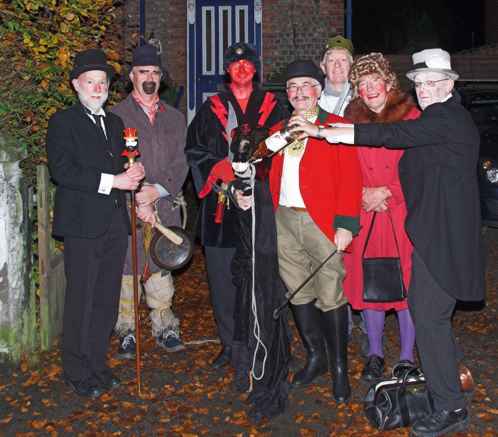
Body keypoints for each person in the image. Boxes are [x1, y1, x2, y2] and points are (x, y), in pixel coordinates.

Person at [293, 48, 484, 436]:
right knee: (430, 315)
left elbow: (387, 133)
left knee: (429, 317)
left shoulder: (447, 119)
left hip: (444, 241)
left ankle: (450, 407)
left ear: (450, 84)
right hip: (432, 236)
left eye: (434, 82)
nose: (426, 89)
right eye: (421, 83)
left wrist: (319, 131)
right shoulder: (436, 118)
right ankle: (444, 388)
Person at [47, 48, 145, 398]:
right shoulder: (63, 122)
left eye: (102, 82)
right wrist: (113, 181)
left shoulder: (116, 123)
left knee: (106, 299)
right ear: (76, 84)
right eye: (90, 81)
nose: (97, 87)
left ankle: (97, 364)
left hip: (114, 225)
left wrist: (135, 173)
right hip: (82, 225)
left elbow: (122, 166)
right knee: (81, 298)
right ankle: (76, 369)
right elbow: (64, 171)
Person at [185, 42, 287, 370]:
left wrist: (256, 177)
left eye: (247, 63)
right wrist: (224, 177)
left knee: (259, 276)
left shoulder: (273, 106)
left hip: (261, 205)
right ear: (227, 70)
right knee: (222, 278)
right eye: (235, 63)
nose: (241, 68)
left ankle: (259, 341)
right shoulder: (211, 108)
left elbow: (286, 150)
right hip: (221, 206)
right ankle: (230, 344)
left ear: (255, 69)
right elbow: (196, 151)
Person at [267, 60, 363, 403]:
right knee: (296, 290)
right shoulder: (282, 128)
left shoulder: (336, 126)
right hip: (285, 220)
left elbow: (352, 177)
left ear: (318, 89)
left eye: (305, 85)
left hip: (322, 220)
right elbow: (265, 167)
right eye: (292, 88)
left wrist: (347, 225)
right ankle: (316, 356)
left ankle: (339, 367)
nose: (298, 93)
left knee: (330, 291)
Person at [342, 53, 419, 381]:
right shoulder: (350, 122)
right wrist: (360, 195)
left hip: (400, 214)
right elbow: (343, 167)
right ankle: (374, 352)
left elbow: (420, 168)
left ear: (389, 83)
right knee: (369, 283)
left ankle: (406, 356)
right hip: (366, 214)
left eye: (375, 81)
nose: (370, 88)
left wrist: (386, 192)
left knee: (406, 285)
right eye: (363, 84)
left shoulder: (412, 117)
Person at [111, 43, 188, 357]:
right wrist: (135, 193)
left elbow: (182, 161)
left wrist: (159, 190)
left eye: (155, 72)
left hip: (164, 205)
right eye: (143, 72)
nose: (150, 78)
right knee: (127, 270)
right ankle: (127, 330)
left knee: (159, 267)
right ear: (132, 76)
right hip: (128, 206)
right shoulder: (116, 116)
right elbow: (110, 161)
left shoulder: (175, 118)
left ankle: (165, 327)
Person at [319, 35, 354, 116]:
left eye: (343, 60)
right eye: (331, 60)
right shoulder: (313, 100)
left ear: (352, 66)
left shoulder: (364, 99)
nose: (337, 65)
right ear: (323, 67)